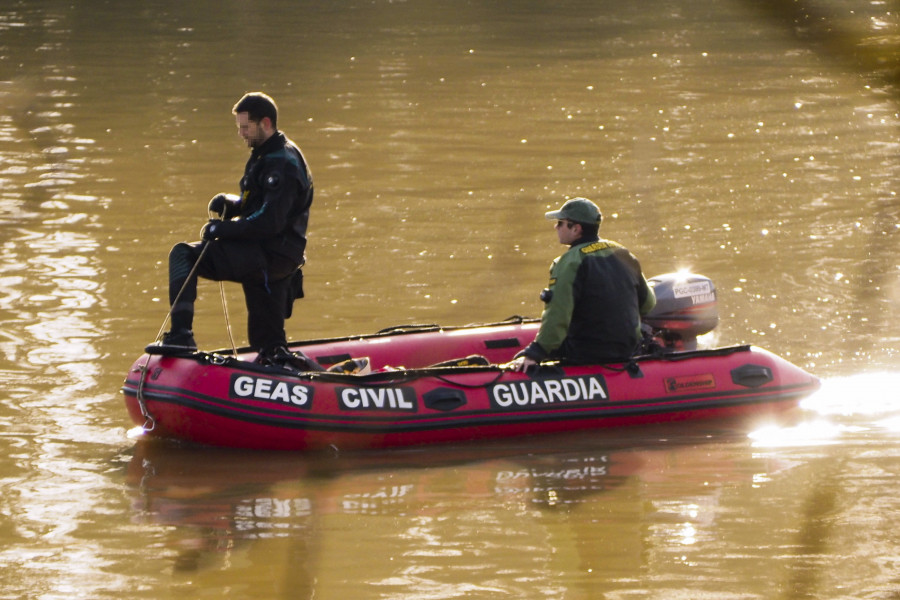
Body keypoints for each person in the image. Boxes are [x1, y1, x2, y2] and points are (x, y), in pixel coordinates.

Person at [153, 92, 314, 366]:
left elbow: (269, 221)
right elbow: (264, 204)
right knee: (269, 345)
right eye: (239, 127)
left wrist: (224, 229)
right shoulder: (269, 153)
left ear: (265, 123)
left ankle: (181, 335)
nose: (240, 134)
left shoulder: (281, 163)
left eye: (245, 127)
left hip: (269, 255)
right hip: (276, 255)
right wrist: (235, 204)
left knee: (183, 255)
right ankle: (280, 373)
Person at [509, 197, 656, 372]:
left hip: (588, 351)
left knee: (524, 356)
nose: (556, 227)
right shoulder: (623, 253)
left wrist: (535, 353)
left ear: (576, 228)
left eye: (560, 223)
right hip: (627, 348)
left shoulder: (568, 262)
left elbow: (558, 314)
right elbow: (648, 303)